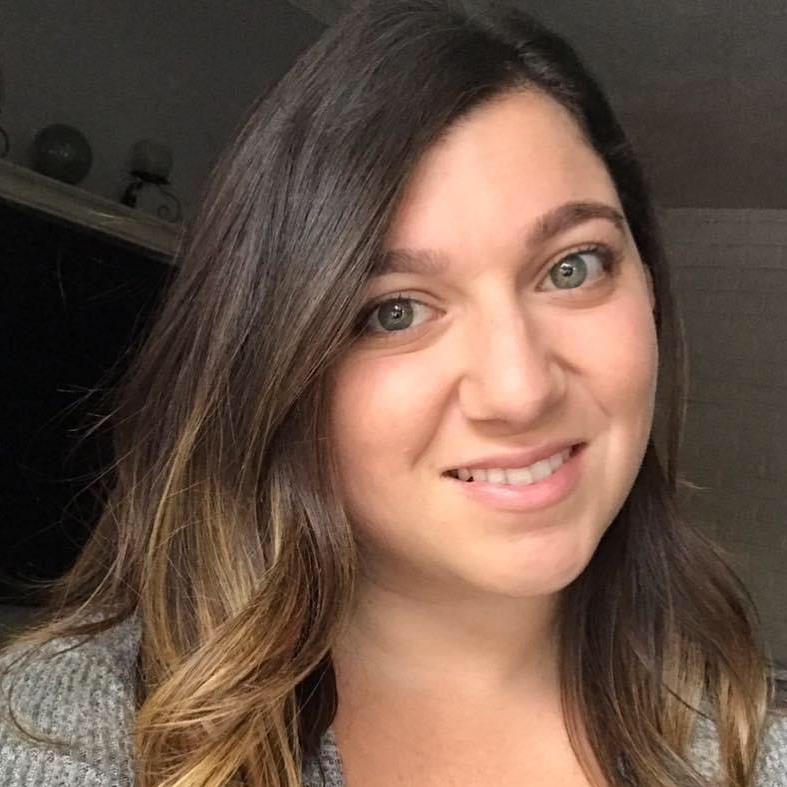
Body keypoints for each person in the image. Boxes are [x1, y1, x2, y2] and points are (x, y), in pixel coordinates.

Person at [1, 1, 785, 785]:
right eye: (394, 311)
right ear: (274, 364)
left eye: (571, 267)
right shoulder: (65, 740)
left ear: (646, 280)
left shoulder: (755, 754)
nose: (519, 391)